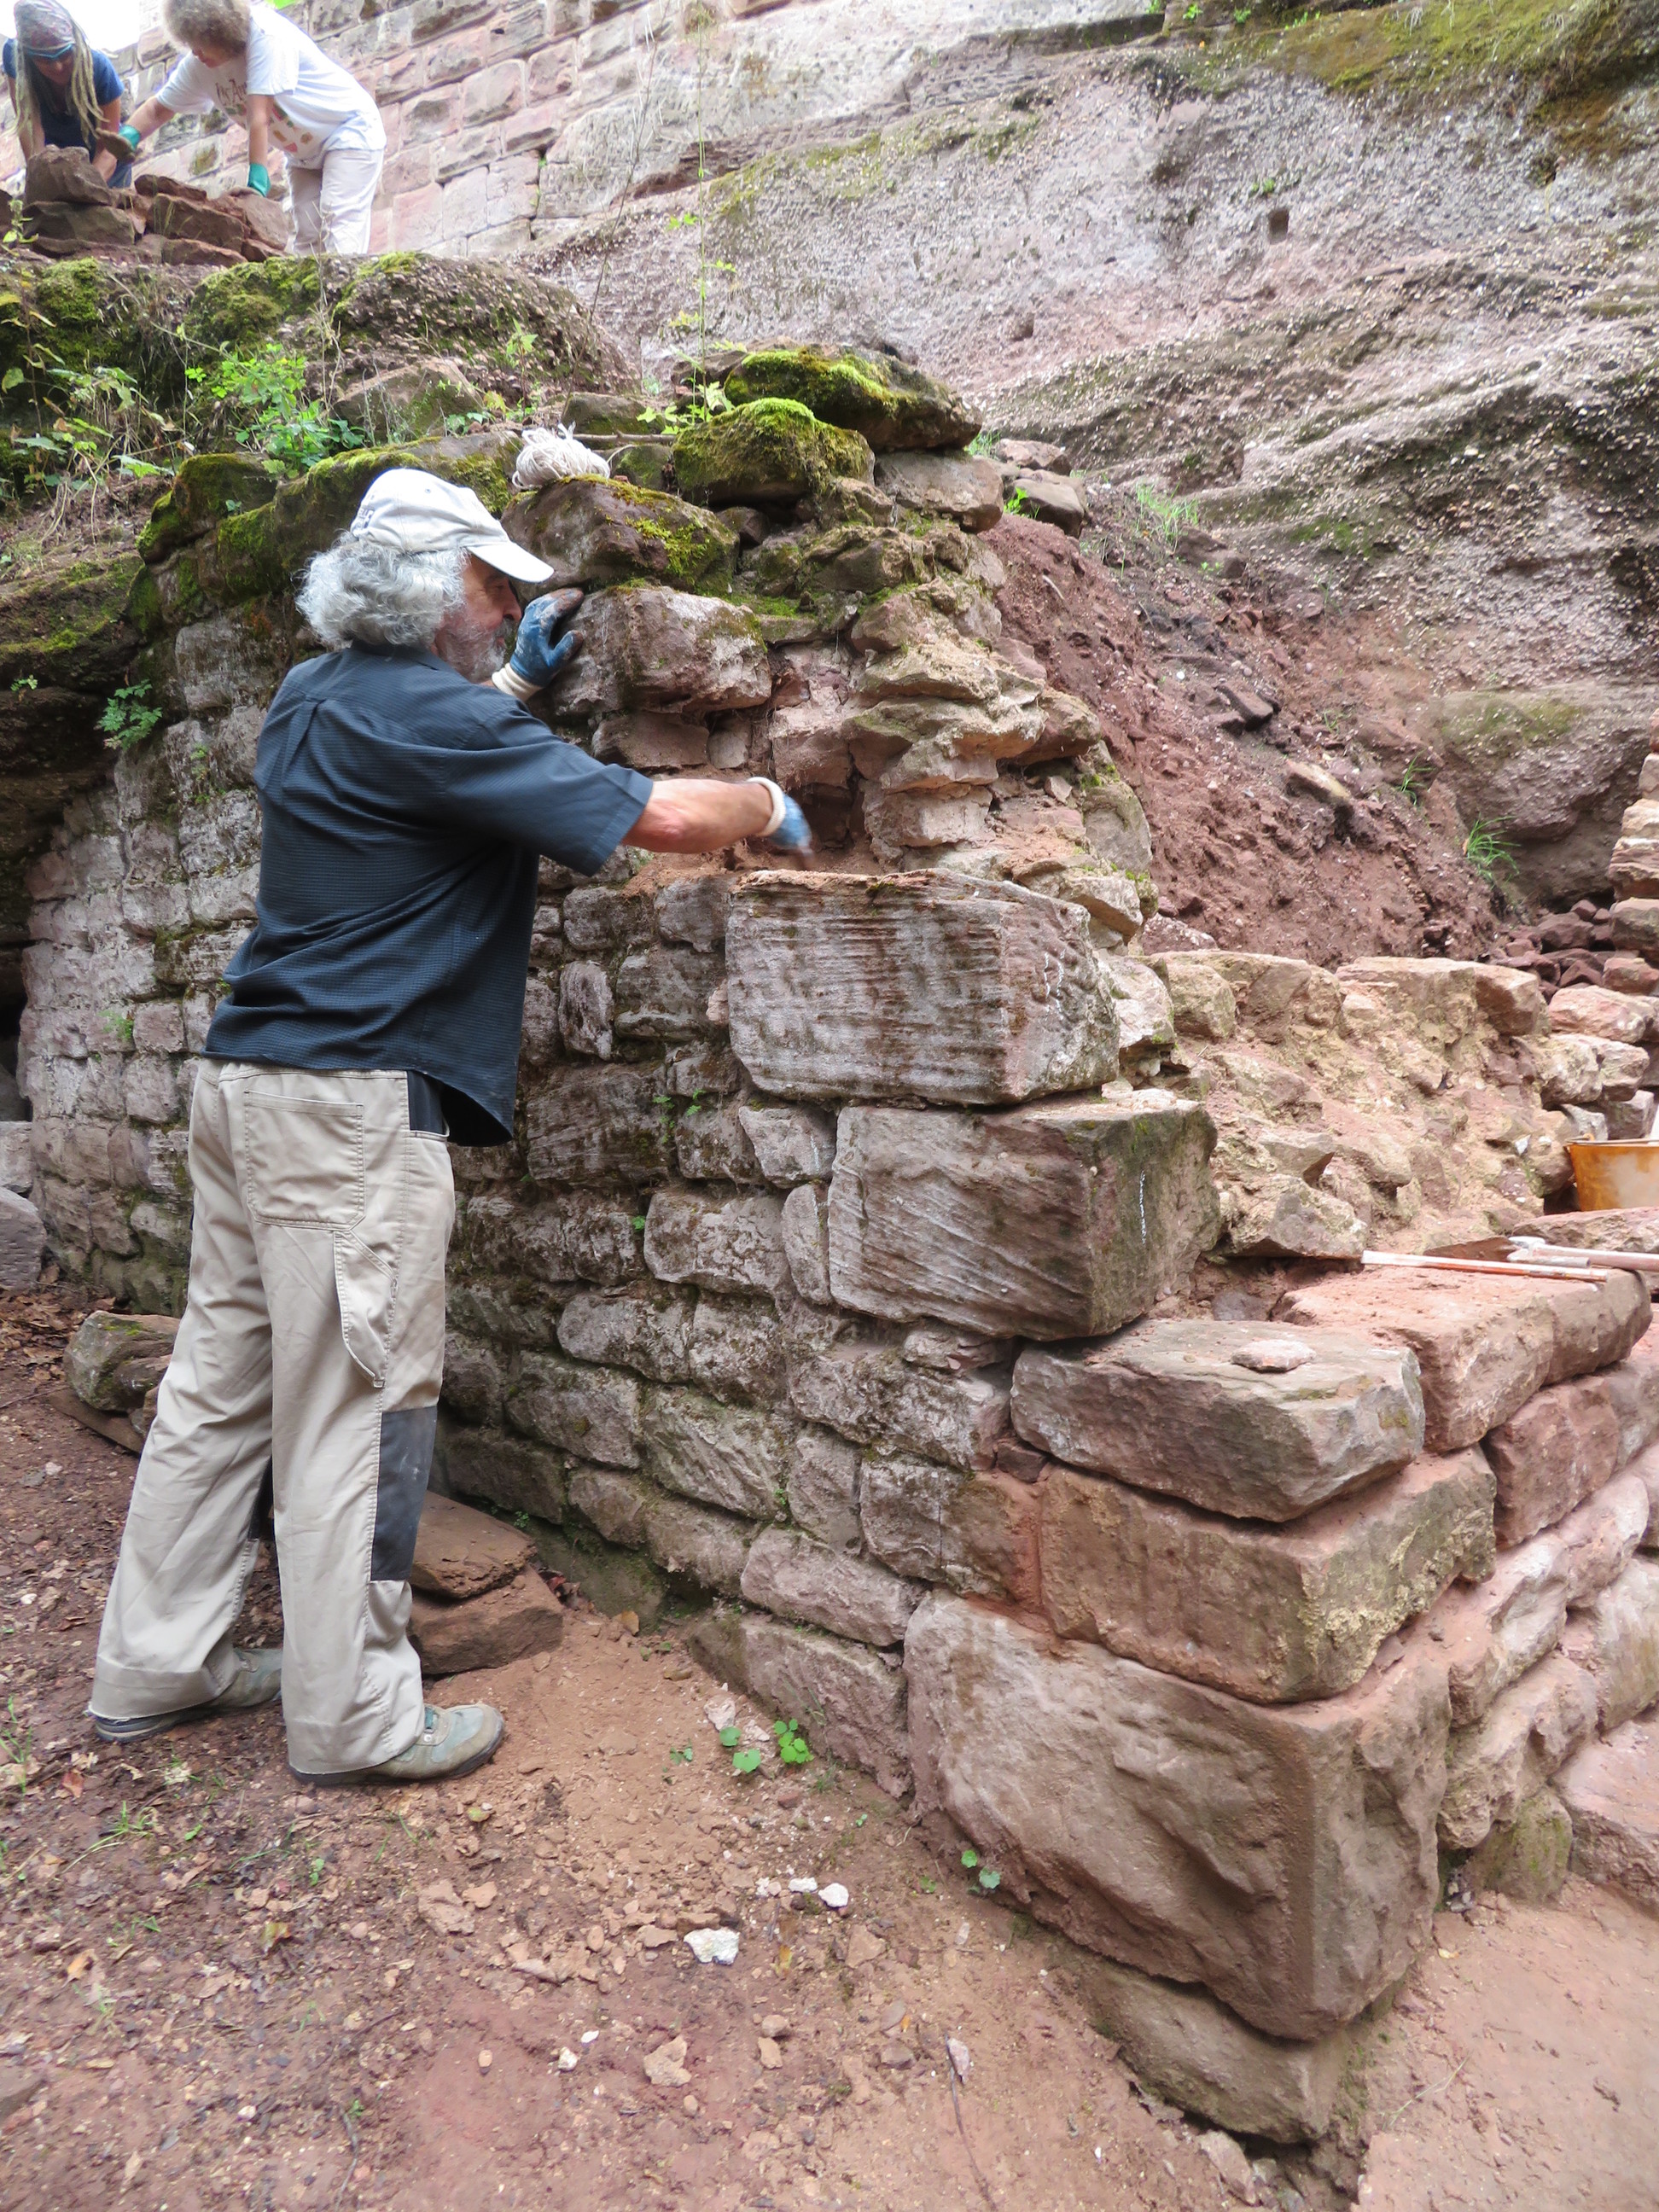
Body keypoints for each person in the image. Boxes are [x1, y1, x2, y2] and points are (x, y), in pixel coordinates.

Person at [89, 468, 811, 1787]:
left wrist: (515, 688)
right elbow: (655, 818)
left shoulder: (311, 696)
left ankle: (158, 1664)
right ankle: (355, 1719)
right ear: (432, 597)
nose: (501, 608)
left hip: (248, 1085)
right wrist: (766, 800)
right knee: (358, 1410)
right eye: (489, 587)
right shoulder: (437, 715)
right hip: (347, 1112)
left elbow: (432, 768)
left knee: (216, 1391)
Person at [118, 0, 384, 253]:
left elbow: (259, 116)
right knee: (307, 238)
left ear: (219, 28)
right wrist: (128, 135)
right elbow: (156, 109)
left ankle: (349, 285)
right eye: (189, 43)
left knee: (338, 220)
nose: (195, 52)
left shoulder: (265, 35)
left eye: (200, 41)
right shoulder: (198, 66)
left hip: (347, 130)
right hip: (303, 156)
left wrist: (257, 185)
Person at [3, 0, 131, 186]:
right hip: (59, 161)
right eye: (45, 59)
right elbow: (30, 127)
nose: (57, 66)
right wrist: (41, 180)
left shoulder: (100, 70)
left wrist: (88, 190)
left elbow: (108, 151)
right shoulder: (15, 58)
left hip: (105, 165)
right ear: (28, 56)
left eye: (64, 54)